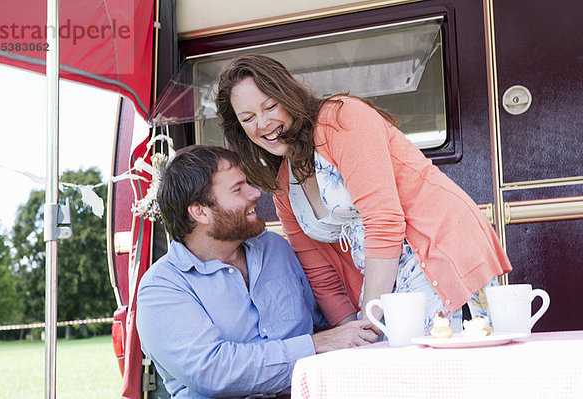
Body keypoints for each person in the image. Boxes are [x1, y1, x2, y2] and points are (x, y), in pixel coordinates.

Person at [215, 53, 513, 333]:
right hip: (386, 280)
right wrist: (352, 333)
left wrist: (369, 319)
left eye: (269, 107)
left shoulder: (340, 119)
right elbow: (320, 274)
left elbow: (383, 219)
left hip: (437, 250)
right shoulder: (283, 184)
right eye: (248, 118)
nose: (263, 124)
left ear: (288, 97)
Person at [135, 145, 377, 399]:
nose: (255, 194)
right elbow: (215, 373)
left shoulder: (276, 249)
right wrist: (314, 347)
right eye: (238, 189)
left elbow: (321, 323)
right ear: (200, 212)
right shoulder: (161, 288)